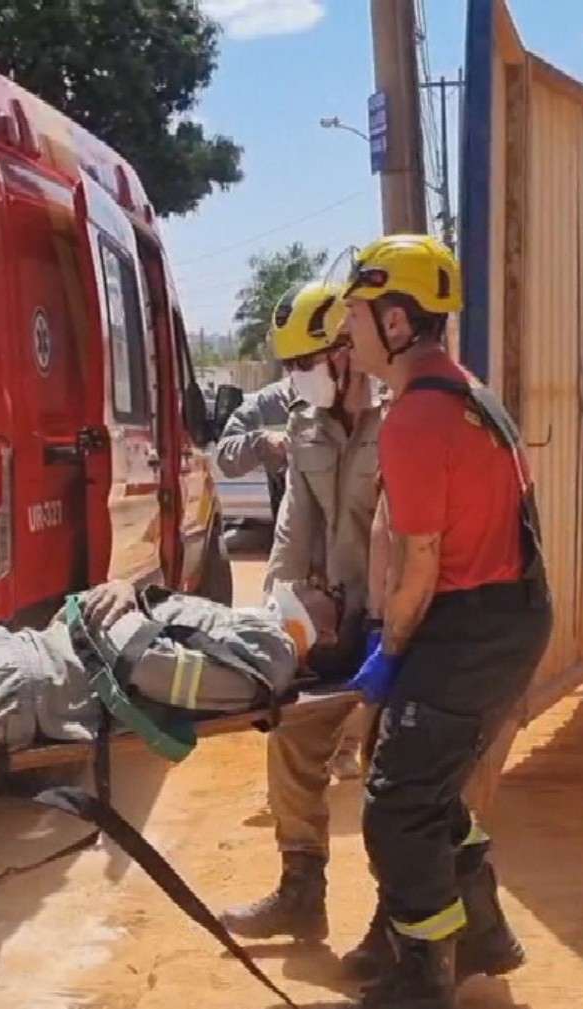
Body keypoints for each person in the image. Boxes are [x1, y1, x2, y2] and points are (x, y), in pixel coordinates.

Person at [330, 234, 553, 1009]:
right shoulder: (468, 395)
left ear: (395, 319)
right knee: (430, 786)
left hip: (474, 622)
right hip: (502, 615)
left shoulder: (418, 419)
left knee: (395, 806)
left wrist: (384, 665)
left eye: (356, 314)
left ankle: (427, 982)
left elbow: (419, 565)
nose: (346, 331)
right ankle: (484, 934)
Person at [0, 578, 349, 785]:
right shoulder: (250, 628)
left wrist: (125, 610)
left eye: (333, 592)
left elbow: (156, 671)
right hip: (24, 651)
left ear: (325, 634)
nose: (320, 580)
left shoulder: (268, 657)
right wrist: (129, 588)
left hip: (27, 686)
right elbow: (153, 632)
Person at [217, 281, 384, 942]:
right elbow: (291, 537)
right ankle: (300, 891)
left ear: (345, 350)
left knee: (394, 772)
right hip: (338, 631)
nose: (296, 378)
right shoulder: (305, 426)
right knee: (293, 736)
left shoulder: (400, 421)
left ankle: (407, 919)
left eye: (305, 363)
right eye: (288, 367)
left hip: (399, 631)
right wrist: (272, 640)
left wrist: (393, 640)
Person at [212, 376, 294, 521]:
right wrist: (264, 443)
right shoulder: (270, 402)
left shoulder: (345, 400)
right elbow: (226, 457)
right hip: (295, 525)